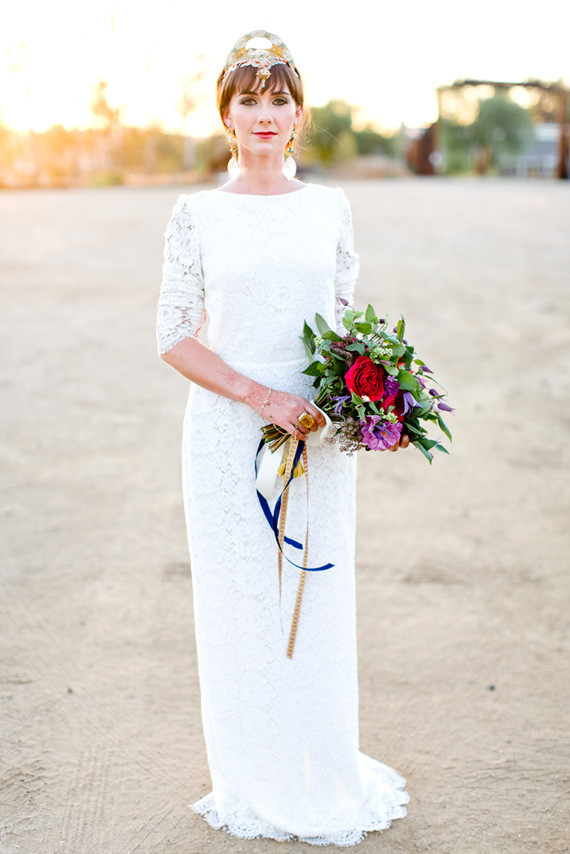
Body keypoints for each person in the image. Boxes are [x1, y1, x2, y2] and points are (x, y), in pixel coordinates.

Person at [156, 29, 409, 846]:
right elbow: (173, 336)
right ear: (226, 115)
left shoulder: (329, 206)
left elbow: (340, 322)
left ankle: (318, 764)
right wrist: (259, 395)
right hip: (229, 427)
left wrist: (359, 396)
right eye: (249, 100)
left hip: (314, 431)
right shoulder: (197, 214)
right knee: (240, 600)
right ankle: (254, 774)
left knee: (315, 596)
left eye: (279, 99)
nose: (265, 113)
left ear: (300, 115)